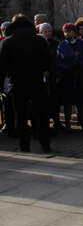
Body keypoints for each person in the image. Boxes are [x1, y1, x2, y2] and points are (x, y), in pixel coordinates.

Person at [0, 16, 50, 152]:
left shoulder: (8, 42)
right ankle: (45, 143)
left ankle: (24, 145)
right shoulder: (40, 40)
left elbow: (3, 67)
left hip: (17, 83)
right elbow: (48, 62)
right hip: (37, 82)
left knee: (21, 116)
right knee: (41, 115)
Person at [57, 23, 83, 131]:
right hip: (68, 75)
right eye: (65, 31)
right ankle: (68, 124)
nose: (67, 33)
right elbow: (58, 59)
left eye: (69, 31)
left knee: (82, 101)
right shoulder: (62, 44)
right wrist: (66, 67)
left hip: (80, 75)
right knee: (68, 101)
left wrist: (81, 63)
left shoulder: (82, 43)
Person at [39, 23, 62, 131]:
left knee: (55, 99)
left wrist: (57, 74)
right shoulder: (38, 44)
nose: (47, 33)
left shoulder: (56, 44)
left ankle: (57, 122)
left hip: (53, 75)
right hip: (42, 76)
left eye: (49, 31)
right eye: (45, 32)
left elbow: (58, 60)